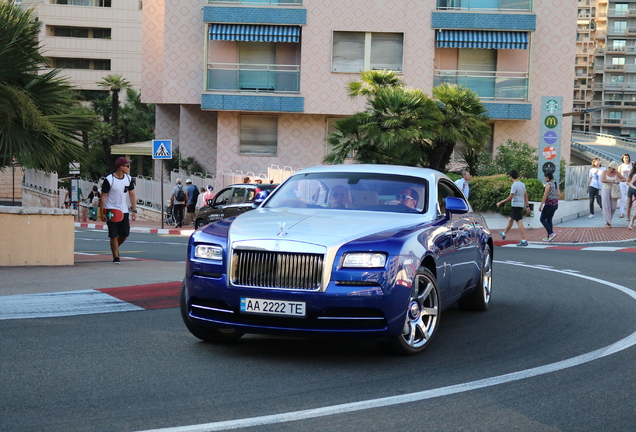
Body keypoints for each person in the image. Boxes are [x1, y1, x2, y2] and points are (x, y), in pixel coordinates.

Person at [100, 157, 137, 264]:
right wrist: (102, 212)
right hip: (111, 210)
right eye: (127, 166)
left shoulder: (128, 179)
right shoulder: (109, 179)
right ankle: (116, 256)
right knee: (113, 235)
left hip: (123, 210)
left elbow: (132, 194)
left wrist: (134, 210)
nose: (129, 168)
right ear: (121, 167)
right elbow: (103, 196)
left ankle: (115, 247)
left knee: (124, 234)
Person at [496, 170, 530, 247]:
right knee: (511, 220)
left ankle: (524, 240)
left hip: (516, 205)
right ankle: (503, 233)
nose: (509, 178)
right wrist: (527, 206)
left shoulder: (514, 185)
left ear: (511, 176)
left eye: (509, 176)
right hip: (520, 205)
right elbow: (526, 195)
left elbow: (511, 197)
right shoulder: (522, 184)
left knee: (519, 222)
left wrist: (501, 202)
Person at [600, 161, 627, 228]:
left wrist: (619, 180)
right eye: (613, 168)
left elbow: (624, 179)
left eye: (615, 169)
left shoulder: (616, 173)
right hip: (606, 189)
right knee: (606, 206)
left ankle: (609, 219)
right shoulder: (605, 172)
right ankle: (607, 222)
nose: (614, 170)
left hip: (614, 190)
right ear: (610, 167)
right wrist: (612, 181)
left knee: (613, 207)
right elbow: (602, 180)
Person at [538, 172, 559, 242]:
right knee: (549, 219)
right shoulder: (555, 184)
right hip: (555, 204)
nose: (544, 178)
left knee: (542, 219)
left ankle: (551, 233)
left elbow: (545, 194)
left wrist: (541, 205)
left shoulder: (548, 184)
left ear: (547, 177)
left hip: (549, 204)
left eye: (545, 177)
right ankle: (549, 236)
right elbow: (558, 194)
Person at [618, 153, 631, 218]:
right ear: (623, 159)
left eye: (627, 157)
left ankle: (628, 211)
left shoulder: (632, 165)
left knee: (628, 198)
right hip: (622, 183)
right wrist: (620, 180)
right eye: (625, 157)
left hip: (629, 183)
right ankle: (622, 212)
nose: (626, 158)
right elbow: (618, 175)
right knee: (622, 198)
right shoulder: (621, 166)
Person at [626, 163, 636, 230]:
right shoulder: (634, 174)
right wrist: (635, 188)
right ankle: (630, 220)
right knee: (629, 204)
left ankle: (631, 222)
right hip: (633, 192)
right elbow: (630, 183)